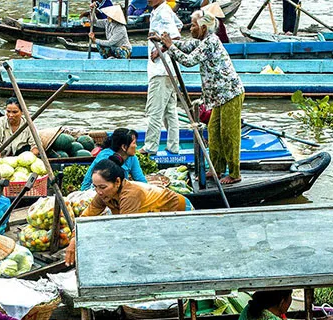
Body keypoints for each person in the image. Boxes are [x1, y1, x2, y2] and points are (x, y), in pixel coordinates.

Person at [160, 9, 244, 184]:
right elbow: (185, 47)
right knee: (214, 133)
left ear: (204, 28)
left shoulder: (211, 42)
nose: (190, 28)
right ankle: (216, 169)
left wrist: (170, 47)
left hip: (230, 93)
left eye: (193, 25)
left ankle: (235, 173)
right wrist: (166, 44)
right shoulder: (201, 41)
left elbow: (189, 61)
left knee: (229, 134)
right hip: (217, 97)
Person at [65, 156, 189, 265]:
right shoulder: (103, 195)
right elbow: (85, 218)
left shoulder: (131, 195)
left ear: (117, 182)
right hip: (155, 217)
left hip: (181, 211)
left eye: (103, 187)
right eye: (96, 187)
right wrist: (74, 240)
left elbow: (124, 230)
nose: (99, 192)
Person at [142, 0, 182, 156]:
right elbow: (178, 25)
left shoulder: (163, 12)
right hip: (166, 71)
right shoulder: (160, 10)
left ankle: (150, 146)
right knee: (169, 111)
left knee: (155, 110)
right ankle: (173, 146)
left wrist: (161, 50)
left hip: (161, 70)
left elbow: (176, 36)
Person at [80, 128, 147, 190]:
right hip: (96, 191)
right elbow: (105, 185)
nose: (136, 146)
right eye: (134, 143)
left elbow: (141, 180)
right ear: (124, 147)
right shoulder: (106, 158)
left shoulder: (132, 157)